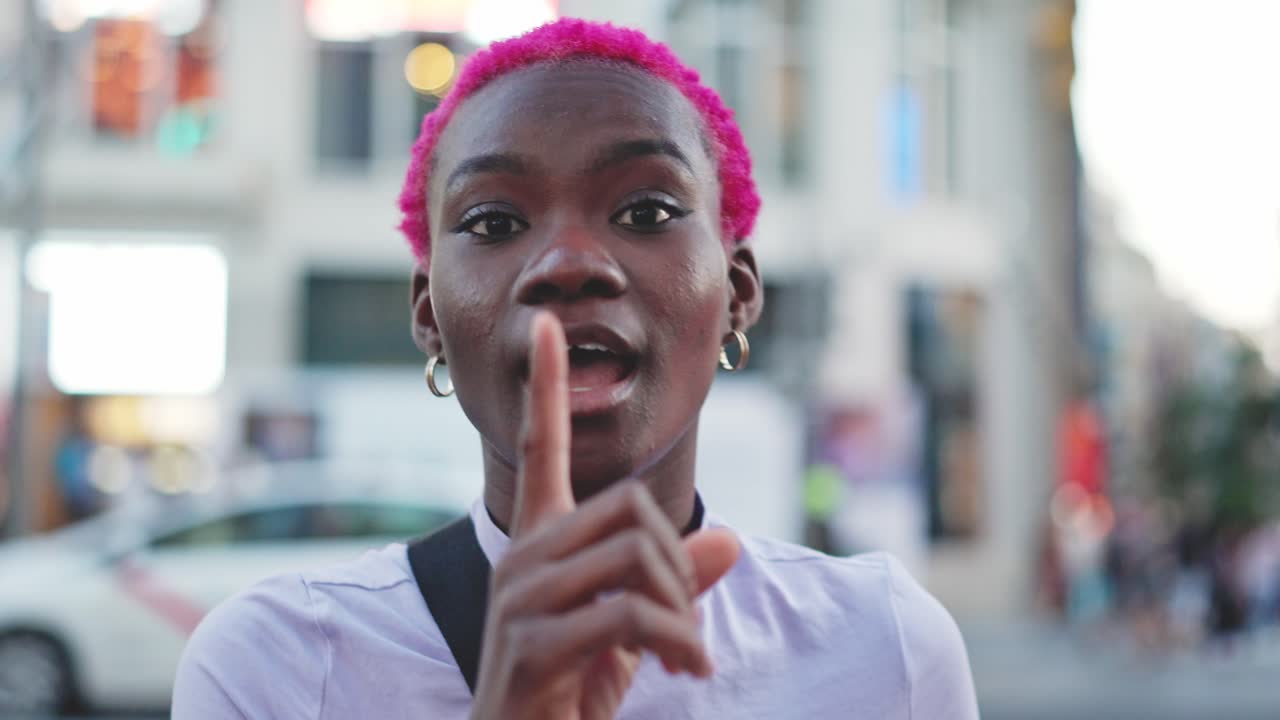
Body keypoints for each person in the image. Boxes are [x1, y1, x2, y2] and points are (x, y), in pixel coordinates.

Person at [173, 18, 978, 719]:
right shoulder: (278, 665)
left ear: (737, 294)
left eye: (647, 211)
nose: (567, 262)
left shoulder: (884, 647)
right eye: (494, 222)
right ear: (429, 316)